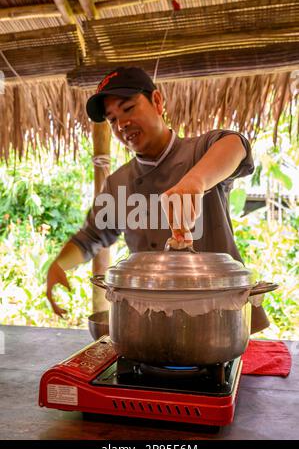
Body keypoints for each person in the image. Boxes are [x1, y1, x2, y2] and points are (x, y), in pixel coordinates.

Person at [46, 66, 269, 333]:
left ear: (157, 101)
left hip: (219, 319)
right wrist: (59, 265)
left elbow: (236, 145)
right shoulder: (118, 183)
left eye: (128, 108)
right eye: (112, 119)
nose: (121, 124)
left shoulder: (199, 151)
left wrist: (195, 182)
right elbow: (92, 237)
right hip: (150, 322)